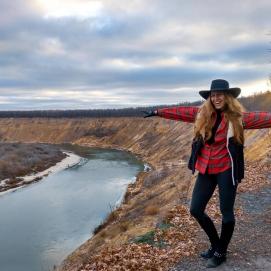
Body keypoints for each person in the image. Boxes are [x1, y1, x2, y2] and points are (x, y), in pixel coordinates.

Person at [143, 79, 271, 268]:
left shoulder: (238, 118)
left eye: (220, 94)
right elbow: (181, 112)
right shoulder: (202, 114)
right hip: (206, 168)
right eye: (213, 95)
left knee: (226, 212)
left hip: (227, 169)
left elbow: (265, 117)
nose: (216, 98)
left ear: (227, 97)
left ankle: (221, 252)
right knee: (195, 209)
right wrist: (157, 112)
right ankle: (215, 244)